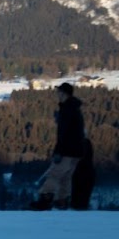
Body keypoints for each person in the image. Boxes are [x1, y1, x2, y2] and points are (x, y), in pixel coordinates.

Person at [33, 83, 87, 211]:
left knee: (55, 174)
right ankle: (62, 200)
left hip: (67, 150)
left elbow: (64, 132)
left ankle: (45, 199)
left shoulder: (67, 109)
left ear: (64, 93)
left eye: (59, 92)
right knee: (66, 176)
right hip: (77, 150)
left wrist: (58, 151)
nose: (57, 94)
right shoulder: (74, 108)